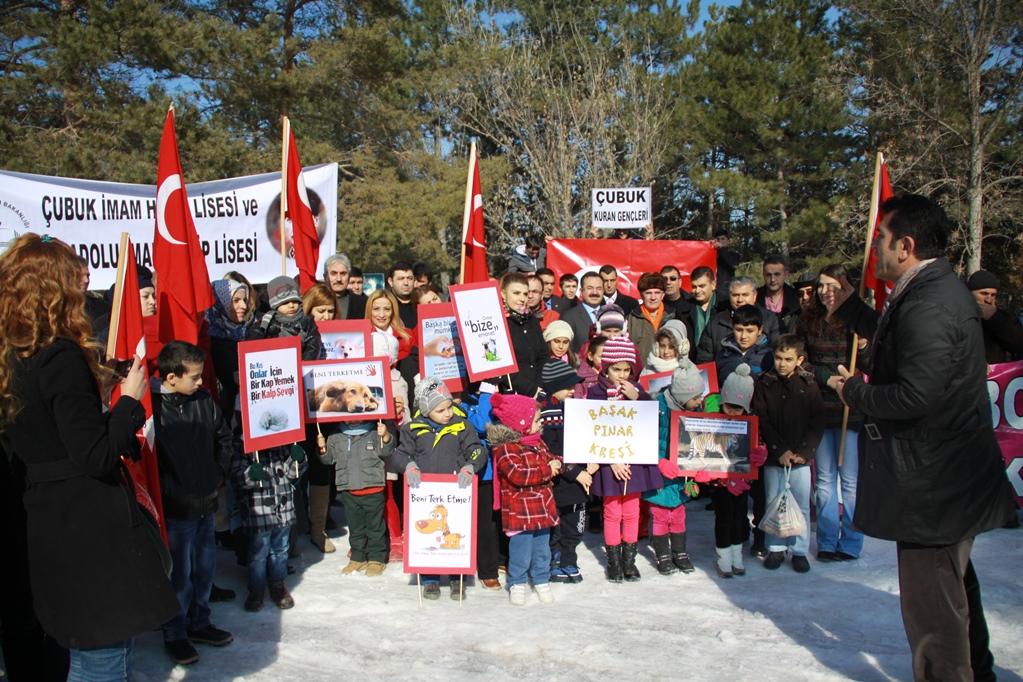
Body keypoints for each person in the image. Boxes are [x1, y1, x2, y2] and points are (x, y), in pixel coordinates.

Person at [822, 193, 1015, 681]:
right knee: (951, 591)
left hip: (935, 485)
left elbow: (915, 396)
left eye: (881, 239)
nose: (875, 250)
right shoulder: (927, 291)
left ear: (905, 246)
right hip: (944, 478)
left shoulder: (931, 302)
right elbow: (898, 338)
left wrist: (853, 392)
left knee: (934, 612)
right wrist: (853, 309)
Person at [0, 234, 178, 680]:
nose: (84, 285)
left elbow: (48, 429)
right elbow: (94, 456)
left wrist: (96, 391)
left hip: (48, 519)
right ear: (54, 288)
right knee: (102, 659)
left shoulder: (13, 354)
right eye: (73, 276)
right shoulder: (60, 354)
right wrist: (129, 400)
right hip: (88, 530)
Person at [153, 341, 234, 665]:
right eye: (195, 377)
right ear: (172, 377)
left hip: (206, 501)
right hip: (176, 508)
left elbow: (223, 438)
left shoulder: (203, 400)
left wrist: (217, 473)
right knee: (179, 573)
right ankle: (175, 633)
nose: (201, 382)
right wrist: (168, 489)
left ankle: (199, 622)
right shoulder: (153, 409)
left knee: (204, 567)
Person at [795, 264, 869, 562]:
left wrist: (864, 346)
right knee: (824, 479)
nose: (826, 292)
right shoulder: (807, 320)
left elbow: (873, 363)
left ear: (845, 287)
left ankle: (850, 542)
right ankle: (826, 541)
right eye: (822, 286)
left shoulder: (857, 320)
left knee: (850, 481)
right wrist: (828, 379)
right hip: (820, 408)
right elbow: (800, 362)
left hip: (851, 410)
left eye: (833, 286)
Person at [392, 378, 487, 600]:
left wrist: (470, 466)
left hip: (456, 492)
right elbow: (400, 454)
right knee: (429, 537)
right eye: (440, 410)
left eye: (449, 407)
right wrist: (409, 465)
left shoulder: (462, 426)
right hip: (426, 494)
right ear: (426, 411)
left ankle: (457, 577)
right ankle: (430, 579)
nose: (447, 414)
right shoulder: (412, 429)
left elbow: (477, 450)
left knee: (455, 532)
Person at [586, 336, 662, 582]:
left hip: (634, 461)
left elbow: (651, 420)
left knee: (631, 512)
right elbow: (592, 429)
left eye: (626, 370)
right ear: (605, 367)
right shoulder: (594, 393)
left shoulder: (637, 391)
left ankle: (629, 561)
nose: (621, 375)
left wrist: (637, 398)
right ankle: (614, 562)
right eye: (616, 369)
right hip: (609, 464)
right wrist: (611, 459)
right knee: (611, 512)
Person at [751, 334, 824, 573]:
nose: (782, 364)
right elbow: (762, 419)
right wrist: (778, 449)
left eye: (788, 359)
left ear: (799, 360)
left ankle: (799, 550)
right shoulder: (764, 383)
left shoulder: (809, 384)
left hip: (800, 458)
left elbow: (817, 421)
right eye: (778, 358)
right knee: (773, 502)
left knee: (801, 504)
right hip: (775, 457)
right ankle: (775, 548)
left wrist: (804, 452)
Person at [488, 392, 561, 605]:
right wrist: (547, 470)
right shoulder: (506, 448)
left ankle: (541, 579)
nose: (540, 424)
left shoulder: (538, 443)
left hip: (542, 507)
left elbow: (551, 459)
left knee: (542, 549)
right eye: (536, 420)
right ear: (522, 423)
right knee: (520, 550)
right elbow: (518, 475)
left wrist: (558, 463)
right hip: (520, 510)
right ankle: (517, 582)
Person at [644, 359, 705, 575]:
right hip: (659, 475)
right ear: (681, 396)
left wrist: (701, 468)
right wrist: (659, 461)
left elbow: (701, 442)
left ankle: (680, 552)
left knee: (678, 514)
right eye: (695, 397)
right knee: (660, 514)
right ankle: (662, 554)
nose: (699, 401)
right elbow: (644, 439)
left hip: (681, 475)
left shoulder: (695, 412)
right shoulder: (656, 408)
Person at [708, 365, 768, 577]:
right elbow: (709, 451)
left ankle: (737, 557)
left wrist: (761, 452)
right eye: (729, 407)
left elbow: (757, 444)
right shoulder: (714, 422)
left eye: (738, 409)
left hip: (741, 480)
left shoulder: (751, 423)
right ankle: (724, 560)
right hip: (720, 482)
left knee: (737, 519)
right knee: (723, 519)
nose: (733, 413)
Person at [318, 417, 396, 577]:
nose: (352, 417)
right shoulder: (336, 435)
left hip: (373, 489)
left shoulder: (375, 431)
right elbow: (329, 459)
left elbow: (386, 451)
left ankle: (376, 559)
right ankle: (358, 557)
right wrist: (322, 449)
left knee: (375, 528)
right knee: (355, 528)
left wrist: (386, 436)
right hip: (348, 490)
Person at [230, 441, 303, 611]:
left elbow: (292, 474)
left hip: (283, 507)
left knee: (281, 550)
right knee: (258, 554)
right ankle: (256, 589)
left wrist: (297, 459)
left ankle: (278, 585)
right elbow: (236, 477)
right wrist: (249, 474)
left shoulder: (282, 439)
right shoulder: (244, 442)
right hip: (259, 510)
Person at [538, 360, 592, 584]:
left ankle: (570, 558)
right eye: (567, 386)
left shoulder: (572, 409)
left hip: (578, 481)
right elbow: (550, 450)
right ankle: (555, 559)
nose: (572, 390)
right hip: (560, 480)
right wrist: (575, 472)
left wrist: (592, 459)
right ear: (553, 387)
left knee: (574, 523)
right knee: (557, 525)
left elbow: (586, 437)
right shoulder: (544, 413)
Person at [695, 276, 781, 363]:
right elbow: (704, 358)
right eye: (735, 295)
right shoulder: (715, 322)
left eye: (745, 295)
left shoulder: (771, 319)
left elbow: (779, 352)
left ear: (755, 295)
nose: (740, 300)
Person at [206, 277, 254, 420]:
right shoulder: (211, 341)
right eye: (236, 301)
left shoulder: (246, 332)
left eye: (244, 300)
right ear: (220, 303)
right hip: (227, 416)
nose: (243, 306)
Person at [247, 276, 322, 361]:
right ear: (275, 305)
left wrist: (303, 363)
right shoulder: (266, 322)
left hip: (300, 364)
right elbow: (251, 343)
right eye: (285, 303)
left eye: (294, 301)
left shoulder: (307, 321)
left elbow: (313, 345)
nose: (291, 306)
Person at [500, 272, 549, 397]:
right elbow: (501, 366)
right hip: (510, 394)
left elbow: (543, 356)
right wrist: (530, 389)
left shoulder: (531, 320)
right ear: (503, 294)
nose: (522, 299)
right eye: (516, 293)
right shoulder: (498, 322)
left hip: (537, 391)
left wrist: (539, 386)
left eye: (525, 294)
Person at [967, 270, 1023, 364]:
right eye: (984, 294)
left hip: (995, 372)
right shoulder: (959, 315)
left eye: (993, 295)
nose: (989, 300)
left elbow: (1017, 344)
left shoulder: (1003, 317)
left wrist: (994, 318)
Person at [715, 304, 774, 381]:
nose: (743, 336)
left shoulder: (769, 356)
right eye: (739, 330)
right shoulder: (722, 355)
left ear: (760, 330)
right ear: (733, 327)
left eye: (750, 331)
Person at [627, 272, 675, 362]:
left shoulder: (673, 316)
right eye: (648, 293)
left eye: (657, 293)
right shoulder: (631, 320)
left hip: (668, 369)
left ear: (663, 295)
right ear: (641, 295)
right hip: (641, 369)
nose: (653, 297)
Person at [683, 265, 727, 359]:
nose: (697, 291)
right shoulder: (683, 309)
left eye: (702, 286)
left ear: (713, 285)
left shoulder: (725, 306)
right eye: (694, 287)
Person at [560, 271, 607, 352]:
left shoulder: (611, 314)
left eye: (599, 288)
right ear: (581, 291)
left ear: (603, 291)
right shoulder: (569, 317)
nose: (595, 292)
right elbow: (568, 351)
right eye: (590, 288)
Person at [758, 255, 801, 333]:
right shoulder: (754, 298)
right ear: (763, 275)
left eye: (777, 274)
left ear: (786, 274)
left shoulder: (797, 297)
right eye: (768, 275)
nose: (773, 279)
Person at [640, 319, 689, 385]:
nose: (666, 352)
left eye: (671, 347)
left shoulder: (688, 370)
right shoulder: (648, 370)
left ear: (681, 348)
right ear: (656, 347)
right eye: (662, 346)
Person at [324, 253, 367, 320]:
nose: (339, 279)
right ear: (325, 276)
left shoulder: (363, 303)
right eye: (333, 274)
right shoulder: (314, 301)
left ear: (349, 277)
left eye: (343, 274)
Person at [387, 262, 418, 329]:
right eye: (401, 279)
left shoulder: (421, 302)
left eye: (409, 278)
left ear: (414, 280)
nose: (406, 283)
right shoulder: (384, 304)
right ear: (390, 281)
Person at [712, 228, 741, 300]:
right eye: (718, 239)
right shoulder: (710, 256)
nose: (720, 241)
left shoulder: (734, 255)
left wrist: (721, 249)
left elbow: (733, 265)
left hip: (725, 291)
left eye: (723, 239)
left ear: (728, 241)